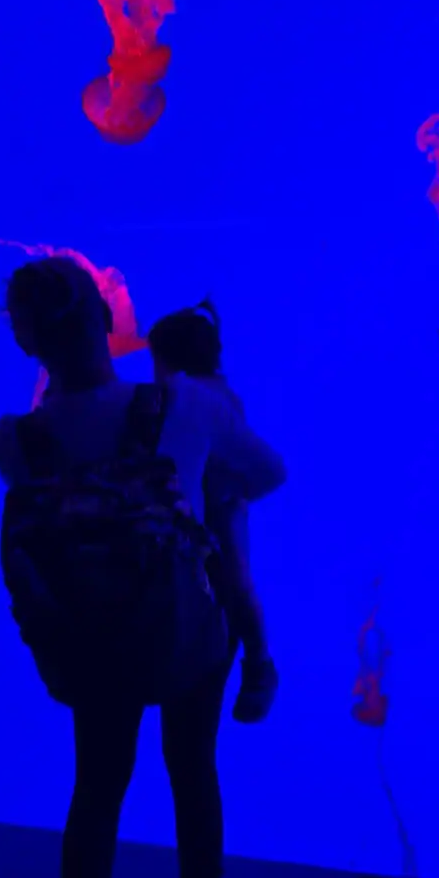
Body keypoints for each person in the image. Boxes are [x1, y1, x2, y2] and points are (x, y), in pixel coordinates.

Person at [0, 257, 286, 878]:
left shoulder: (16, 441)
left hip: (91, 649)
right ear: (101, 313)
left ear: (26, 340)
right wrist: (202, 484)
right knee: (192, 775)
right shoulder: (183, 404)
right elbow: (268, 473)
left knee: (97, 792)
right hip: (184, 637)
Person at [148, 299, 279, 724]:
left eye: (157, 361)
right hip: (199, 512)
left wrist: (235, 493)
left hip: (222, 509)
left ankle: (260, 665)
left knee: (237, 582)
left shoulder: (205, 398)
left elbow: (262, 466)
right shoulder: (202, 395)